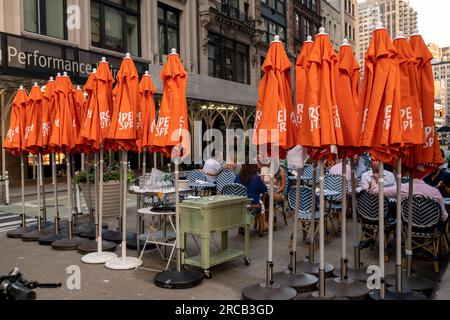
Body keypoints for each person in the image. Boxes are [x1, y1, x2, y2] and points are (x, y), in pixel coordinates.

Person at [370, 176, 448, 222]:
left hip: (407, 225)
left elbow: (376, 191)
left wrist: (373, 179)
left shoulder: (402, 188)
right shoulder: (435, 191)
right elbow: (444, 217)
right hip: (431, 228)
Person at [235, 164, 268, 235]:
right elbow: (264, 189)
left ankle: (241, 227)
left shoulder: (238, 177)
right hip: (253, 204)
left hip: (240, 204)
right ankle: (261, 228)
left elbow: (235, 189)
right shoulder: (256, 178)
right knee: (262, 205)